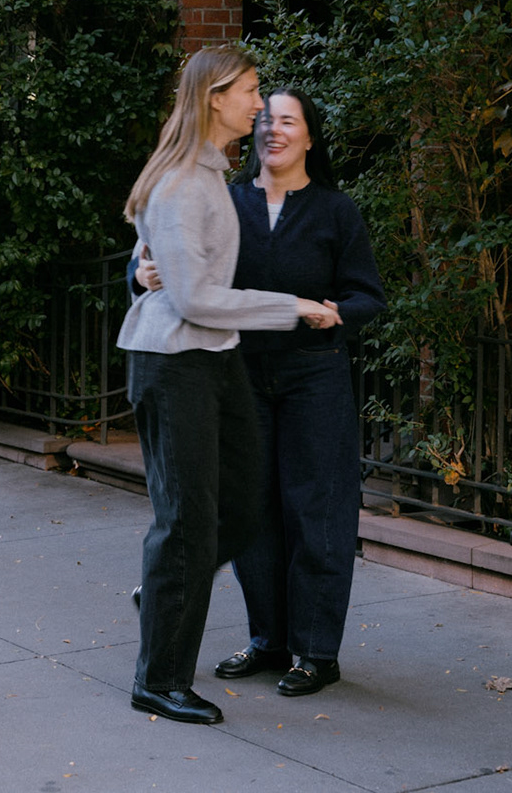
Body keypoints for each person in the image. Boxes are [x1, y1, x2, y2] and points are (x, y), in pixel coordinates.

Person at [118, 46, 342, 727]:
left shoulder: (212, 175)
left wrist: (145, 264)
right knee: (185, 523)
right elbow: (197, 299)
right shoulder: (185, 179)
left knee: (241, 510)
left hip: (215, 361)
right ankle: (158, 679)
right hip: (175, 361)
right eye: (248, 90)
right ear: (214, 97)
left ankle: (165, 589)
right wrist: (293, 306)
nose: (258, 101)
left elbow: (164, 251)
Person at [137, 88, 384, 699]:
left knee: (316, 510)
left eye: (288, 121)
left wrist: (336, 313)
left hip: (314, 374)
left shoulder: (334, 211)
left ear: (309, 136)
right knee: (252, 510)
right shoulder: (226, 200)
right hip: (239, 370)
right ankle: (268, 639)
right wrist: (140, 273)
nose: (273, 129)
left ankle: (315, 651)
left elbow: (368, 295)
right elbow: (175, 259)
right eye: (266, 118)